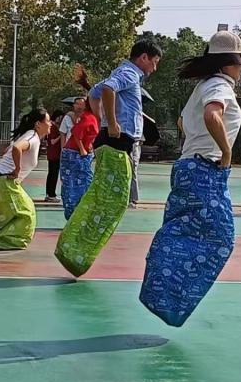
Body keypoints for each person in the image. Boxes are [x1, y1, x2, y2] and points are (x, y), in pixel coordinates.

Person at [140, 30, 241, 327]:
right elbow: (212, 116)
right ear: (228, 63)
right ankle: (165, 292)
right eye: (239, 63)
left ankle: (163, 295)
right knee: (221, 237)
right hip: (205, 170)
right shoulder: (219, 86)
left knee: (186, 227)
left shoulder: (203, 86)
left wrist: (197, 141)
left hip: (188, 167)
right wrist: (225, 151)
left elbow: (182, 122)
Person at [55, 39, 162, 277]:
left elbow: (95, 93)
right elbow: (107, 90)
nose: (154, 68)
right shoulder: (129, 73)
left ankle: (74, 248)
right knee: (115, 200)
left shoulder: (122, 72)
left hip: (115, 142)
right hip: (117, 142)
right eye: (154, 62)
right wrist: (111, 123)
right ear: (143, 57)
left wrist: (102, 118)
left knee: (103, 196)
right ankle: (75, 250)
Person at [0, 107, 51, 250]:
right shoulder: (32, 137)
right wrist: (17, 169)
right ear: (38, 124)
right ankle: (5, 242)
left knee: (14, 214)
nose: (50, 124)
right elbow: (16, 148)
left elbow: (9, 150)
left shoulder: (30, 135)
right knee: (26, 213)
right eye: (48, 121)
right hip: (2, 179)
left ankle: (5, 240)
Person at [59, 96, 100, 220]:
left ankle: (77, 213)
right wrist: (82, 149)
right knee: (76, 184)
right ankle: (73, 213)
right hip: (75, 154)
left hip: (81, 153)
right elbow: (77, 134)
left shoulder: (90, 117)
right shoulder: (88, 117)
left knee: (81, 183)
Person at [43, 109, 64, 203]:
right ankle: (51, 194)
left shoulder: (52, 126)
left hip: (52, 154)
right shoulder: (53, 128)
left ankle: (49, 194)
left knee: (51, 174)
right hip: (54, 154)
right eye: (60, 117)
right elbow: (53, 141)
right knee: (53, 174)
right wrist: (61, 135)